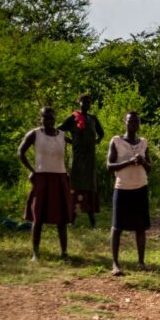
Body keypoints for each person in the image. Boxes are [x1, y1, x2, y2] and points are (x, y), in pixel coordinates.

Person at [18, 106, 73, 260]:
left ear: (55, 118)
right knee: (38, 217)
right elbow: (20, 152)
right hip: (42, 178)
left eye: (51, 117)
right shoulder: (34, 134)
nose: (48, 120)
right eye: (45, 117)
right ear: (40, 119)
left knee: (62, 219)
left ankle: (64, 253)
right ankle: (35, 253)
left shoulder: (62, 135)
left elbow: (79, 147)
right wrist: (32, 170)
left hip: (60, 178)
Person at [107, 111, 151, 276]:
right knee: (117, 227)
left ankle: (141, 262)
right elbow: (109, 166)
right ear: (124, 122)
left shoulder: (143, 142)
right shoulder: (116, 141)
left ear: (139, 124)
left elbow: (149, 169)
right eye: (130, 121)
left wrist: (143, 161)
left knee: (141, 227)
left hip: (140, 187)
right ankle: (115, 264)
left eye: (136, 121)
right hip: (122, 188)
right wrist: (128, 162)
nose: (133, 124)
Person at [58, 93, 104, 228]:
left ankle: (92, 222)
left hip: (90, 160)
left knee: (90, 188)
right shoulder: (72, 118)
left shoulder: (93, 118)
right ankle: (72, 220)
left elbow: (101, 133)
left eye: (89, 102)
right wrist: (69, 141)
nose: (86, 104)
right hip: (77, 160)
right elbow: (59, 130)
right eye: (84, 101)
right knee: (76, 188)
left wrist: (97, 141)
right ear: (79, 103)